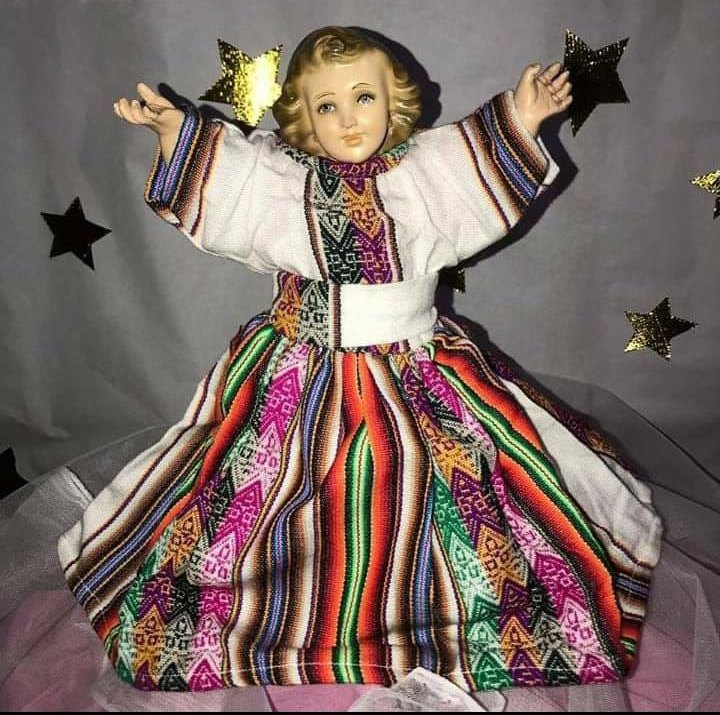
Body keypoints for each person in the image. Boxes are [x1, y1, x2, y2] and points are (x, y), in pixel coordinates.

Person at [58, 26, 662, 693]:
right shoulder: (283, 180)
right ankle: (282, 605)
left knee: (463, 486)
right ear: (304, 115)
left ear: (392, 100)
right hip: (297, 372)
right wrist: (176, 131)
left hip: (416, 371)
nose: (348, 118)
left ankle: (441, 608)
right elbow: (231, 179)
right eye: (327, 105)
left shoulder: (423, 171)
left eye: (363, 97)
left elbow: (471, 171)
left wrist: (521, 116)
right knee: (250, 493)